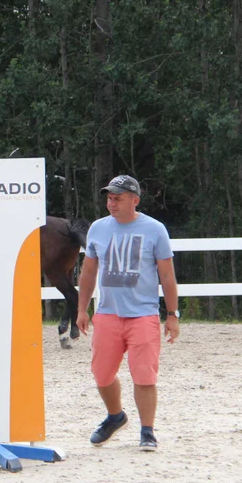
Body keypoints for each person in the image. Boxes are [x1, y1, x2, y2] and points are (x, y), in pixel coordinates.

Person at [77, 174, 180, 451]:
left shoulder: (155, 229)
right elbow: (88, 272)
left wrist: (172, 314)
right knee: (101, 374)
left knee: (144, 374)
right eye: (109, 198)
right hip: (108, 312)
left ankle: (147, 431)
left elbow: (167, 275)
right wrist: (82, 308)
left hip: (143, 314)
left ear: (135, 200)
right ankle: (115, 416)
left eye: (118, 198)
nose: (112, 203)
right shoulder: (98, 229)